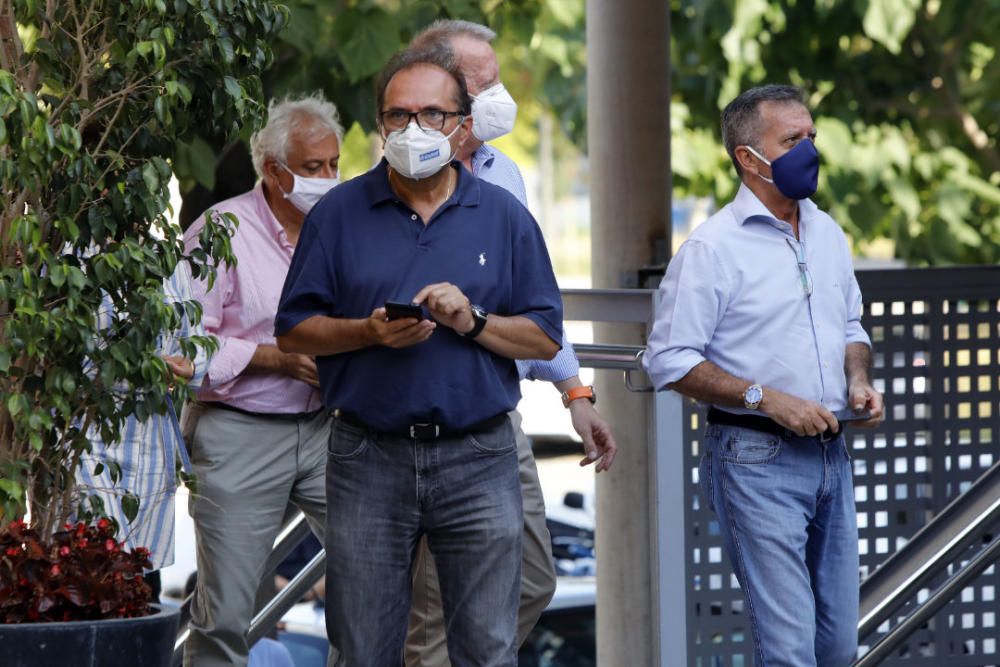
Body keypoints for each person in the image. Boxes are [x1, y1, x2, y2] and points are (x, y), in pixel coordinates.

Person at [274, 46, 563, 666]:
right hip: (367, 456)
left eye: (431, 114)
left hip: (479, 455)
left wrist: (473, 320)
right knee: (363, 647)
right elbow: (293, 331)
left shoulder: (504, 216)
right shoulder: (339, 214)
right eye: (397, 115)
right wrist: (367, 334)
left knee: (487, 648)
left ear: (462, 123)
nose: (413, 129)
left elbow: (544, 337)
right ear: (380, 124)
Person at [642, 84, 884, 667]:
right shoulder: (711, 249)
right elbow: (668, 359)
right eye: (792, 140)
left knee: (838, 647)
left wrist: (859, 380)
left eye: (812, 137)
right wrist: (765, 398)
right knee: (789, 649)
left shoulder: (826, 230)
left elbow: (850, 324)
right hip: (755, 459)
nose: (810, 152)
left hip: (833, 454)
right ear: (748, 159)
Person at [403, 20, 618, 666]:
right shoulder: (394, 182)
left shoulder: (507, 175)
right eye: (486, 82)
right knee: (434, 610)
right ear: (441, 93)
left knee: (531, 579)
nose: (501, 96)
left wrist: (575, 390)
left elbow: (536, 302)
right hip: (424, 424)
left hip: (501, 412)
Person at [180, 92, 343, 667]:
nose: (327, 179)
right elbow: (183, 345)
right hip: (239, 430)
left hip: (330, 428)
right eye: (313, 168)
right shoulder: (219, 231)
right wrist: (274, 358)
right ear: (274, 172)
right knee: (226, 615)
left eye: (333, 165)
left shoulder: (344, 228)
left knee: (371, 589)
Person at [77, 261, 205, 587]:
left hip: (150, 449)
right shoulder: (66, 251)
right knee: (93, 575)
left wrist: (184, 367)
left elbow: (196, 347)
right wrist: (133, 363)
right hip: (81, 440)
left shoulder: (165, 259)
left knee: (144, 584)